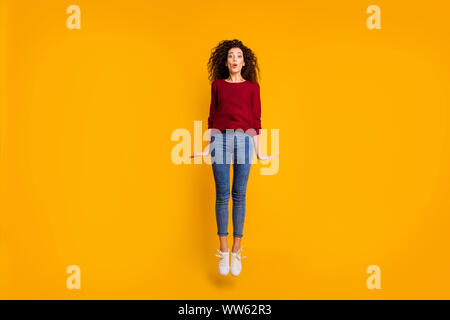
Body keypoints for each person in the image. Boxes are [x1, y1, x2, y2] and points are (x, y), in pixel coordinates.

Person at [191, 39, 279, 276]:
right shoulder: (217, 85)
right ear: (225, 61)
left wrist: (259, 150)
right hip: (220, 139)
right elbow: (212, 117)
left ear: (244, 61)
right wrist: (205, 147)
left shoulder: (253, 88)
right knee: (222, 195)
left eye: (238, 56)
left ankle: (237, 250)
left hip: (244, 140)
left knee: (239, 195)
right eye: (231, 56)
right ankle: (223, 250)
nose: (234, 60)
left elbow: (256, 121)